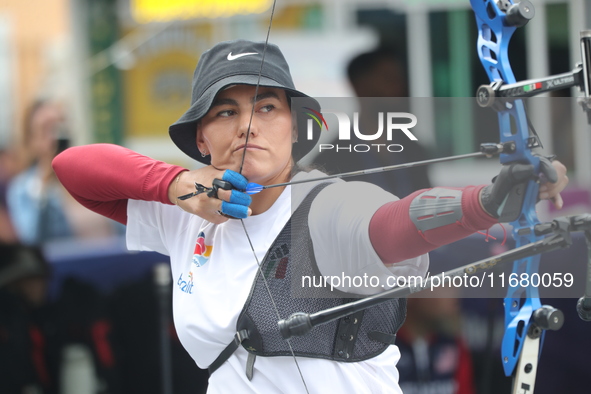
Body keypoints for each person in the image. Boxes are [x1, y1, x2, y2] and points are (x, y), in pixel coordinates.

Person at [52, 40, 568, 393]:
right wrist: (176, 185)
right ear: (202, 139)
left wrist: (488, 201)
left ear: (297, 128)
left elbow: (392, 225)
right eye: (225, 111)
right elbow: (73, 168)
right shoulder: (185, 213)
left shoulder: (331, 205)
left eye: (267, 107)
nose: (248, 124)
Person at [7, 100, 115, 245]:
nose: (55, 136)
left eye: (60, 125)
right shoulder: (24, 189)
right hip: (69, 266)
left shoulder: (90, 173)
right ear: (31, 140)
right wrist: (43, 188)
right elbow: (32, 240)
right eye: (46, 128)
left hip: (117, 260)